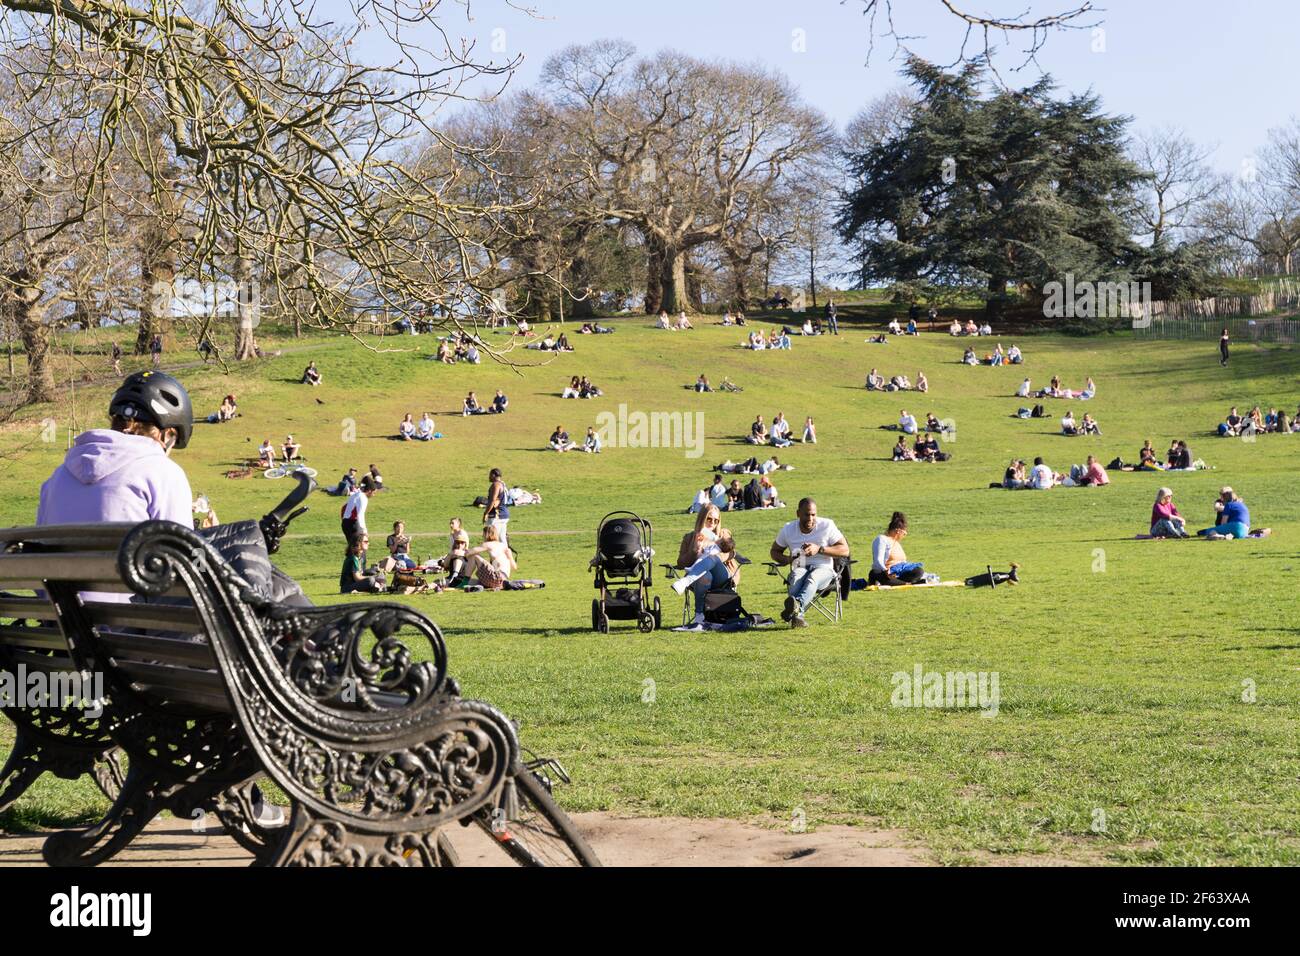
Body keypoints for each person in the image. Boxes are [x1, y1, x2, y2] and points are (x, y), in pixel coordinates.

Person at [37, 372, 195, 585]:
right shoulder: (164, 472)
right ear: (167, 435)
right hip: (136, 614)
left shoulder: (59, 475)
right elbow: (179, 562)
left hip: (62, 614)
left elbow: (40, 553)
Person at [770, 498, 850, 628]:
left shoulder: (827, 525)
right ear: (798, 514)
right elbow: (774, 551)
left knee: (812, 578)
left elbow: (845, 550)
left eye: (813, 514)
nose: (810, 518)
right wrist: (788, 559)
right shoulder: (788, 529)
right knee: (795, 578)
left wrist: (819, 549)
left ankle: (797, 607)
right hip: (800, 566)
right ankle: (798, 617)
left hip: (824, 568)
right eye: (806, 514)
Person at [670, 505, 741, 624]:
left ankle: (684, 582)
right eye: (709, 519)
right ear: (702, 518)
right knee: (705, 576)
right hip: (699, 579)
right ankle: (699, 615)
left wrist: (715, 552)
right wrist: (695, 551)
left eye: (716, 520)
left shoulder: (723, 534)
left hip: (722, 577)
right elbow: (681, 563)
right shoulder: (690, 537)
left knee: (712, 558)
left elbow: (731, 553)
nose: (712, 523)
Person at [869, 512, 926, 585]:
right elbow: (878, 560)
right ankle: (904, 583)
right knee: (878, 574)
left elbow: (903, 562)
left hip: (897, 573)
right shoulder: (881, 539)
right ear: (898, 531)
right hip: (884, 572)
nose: (904, 536)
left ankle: (899, 582)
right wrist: (886, 571)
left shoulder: (897, 543)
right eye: (904, 533)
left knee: (918, 571)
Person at [466, 524, 516, 590]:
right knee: (473, 581)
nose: (482, 536)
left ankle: (464, 580)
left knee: (475, 556)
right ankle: (465, 582)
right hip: (503, 581)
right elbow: (514, 567)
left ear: (487, 534)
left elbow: (469, 552)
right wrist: (510, 557)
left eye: (483, 534)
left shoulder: (488, 544)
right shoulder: (503, 546)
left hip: (496, 577)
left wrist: (456, 553)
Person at [341, 475, 377, 543]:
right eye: (374, 493)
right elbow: (360, 515)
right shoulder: (363, 498)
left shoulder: (355, 494)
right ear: (369, 490)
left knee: (352, 548)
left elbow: (343, 508)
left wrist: (344, 520)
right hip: (353, 524)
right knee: (359, 548)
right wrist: (364, 530)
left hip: (345, 524)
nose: (373, 495)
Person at [484, 467, 510, 546]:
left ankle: (495, 557)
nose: (489, 477)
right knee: (502, 539)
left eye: (490, 475)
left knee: (493, 538)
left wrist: (485, 513)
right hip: (504, 514)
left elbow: (493, 501)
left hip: (497, 515)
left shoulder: (496, 485)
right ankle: (507, 557)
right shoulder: (503, 484)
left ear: (493, 475)